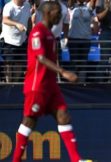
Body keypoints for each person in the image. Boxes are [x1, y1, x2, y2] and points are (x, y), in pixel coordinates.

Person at [12, 2, 92, 162]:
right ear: (47, 12)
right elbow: (40, 58)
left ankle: (76, 159)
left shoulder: (50, 33)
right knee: (29, 121)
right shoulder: (38, 32)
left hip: (51, 86)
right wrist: (63, 72)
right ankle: (16, 160)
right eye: (57, 12)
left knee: (63, 116)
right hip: (37, 85)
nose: (59, 15)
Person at [0, 0, 31, 82]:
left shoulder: (27, 5)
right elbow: (5, 20)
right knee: (8, 64)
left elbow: (29, 20)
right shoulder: (8, 6)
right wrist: (16, 24)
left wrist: (30, 33)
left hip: (22, 40)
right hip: (8, 40)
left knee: (19, 63)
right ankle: (8, 84)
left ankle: (15, 84)